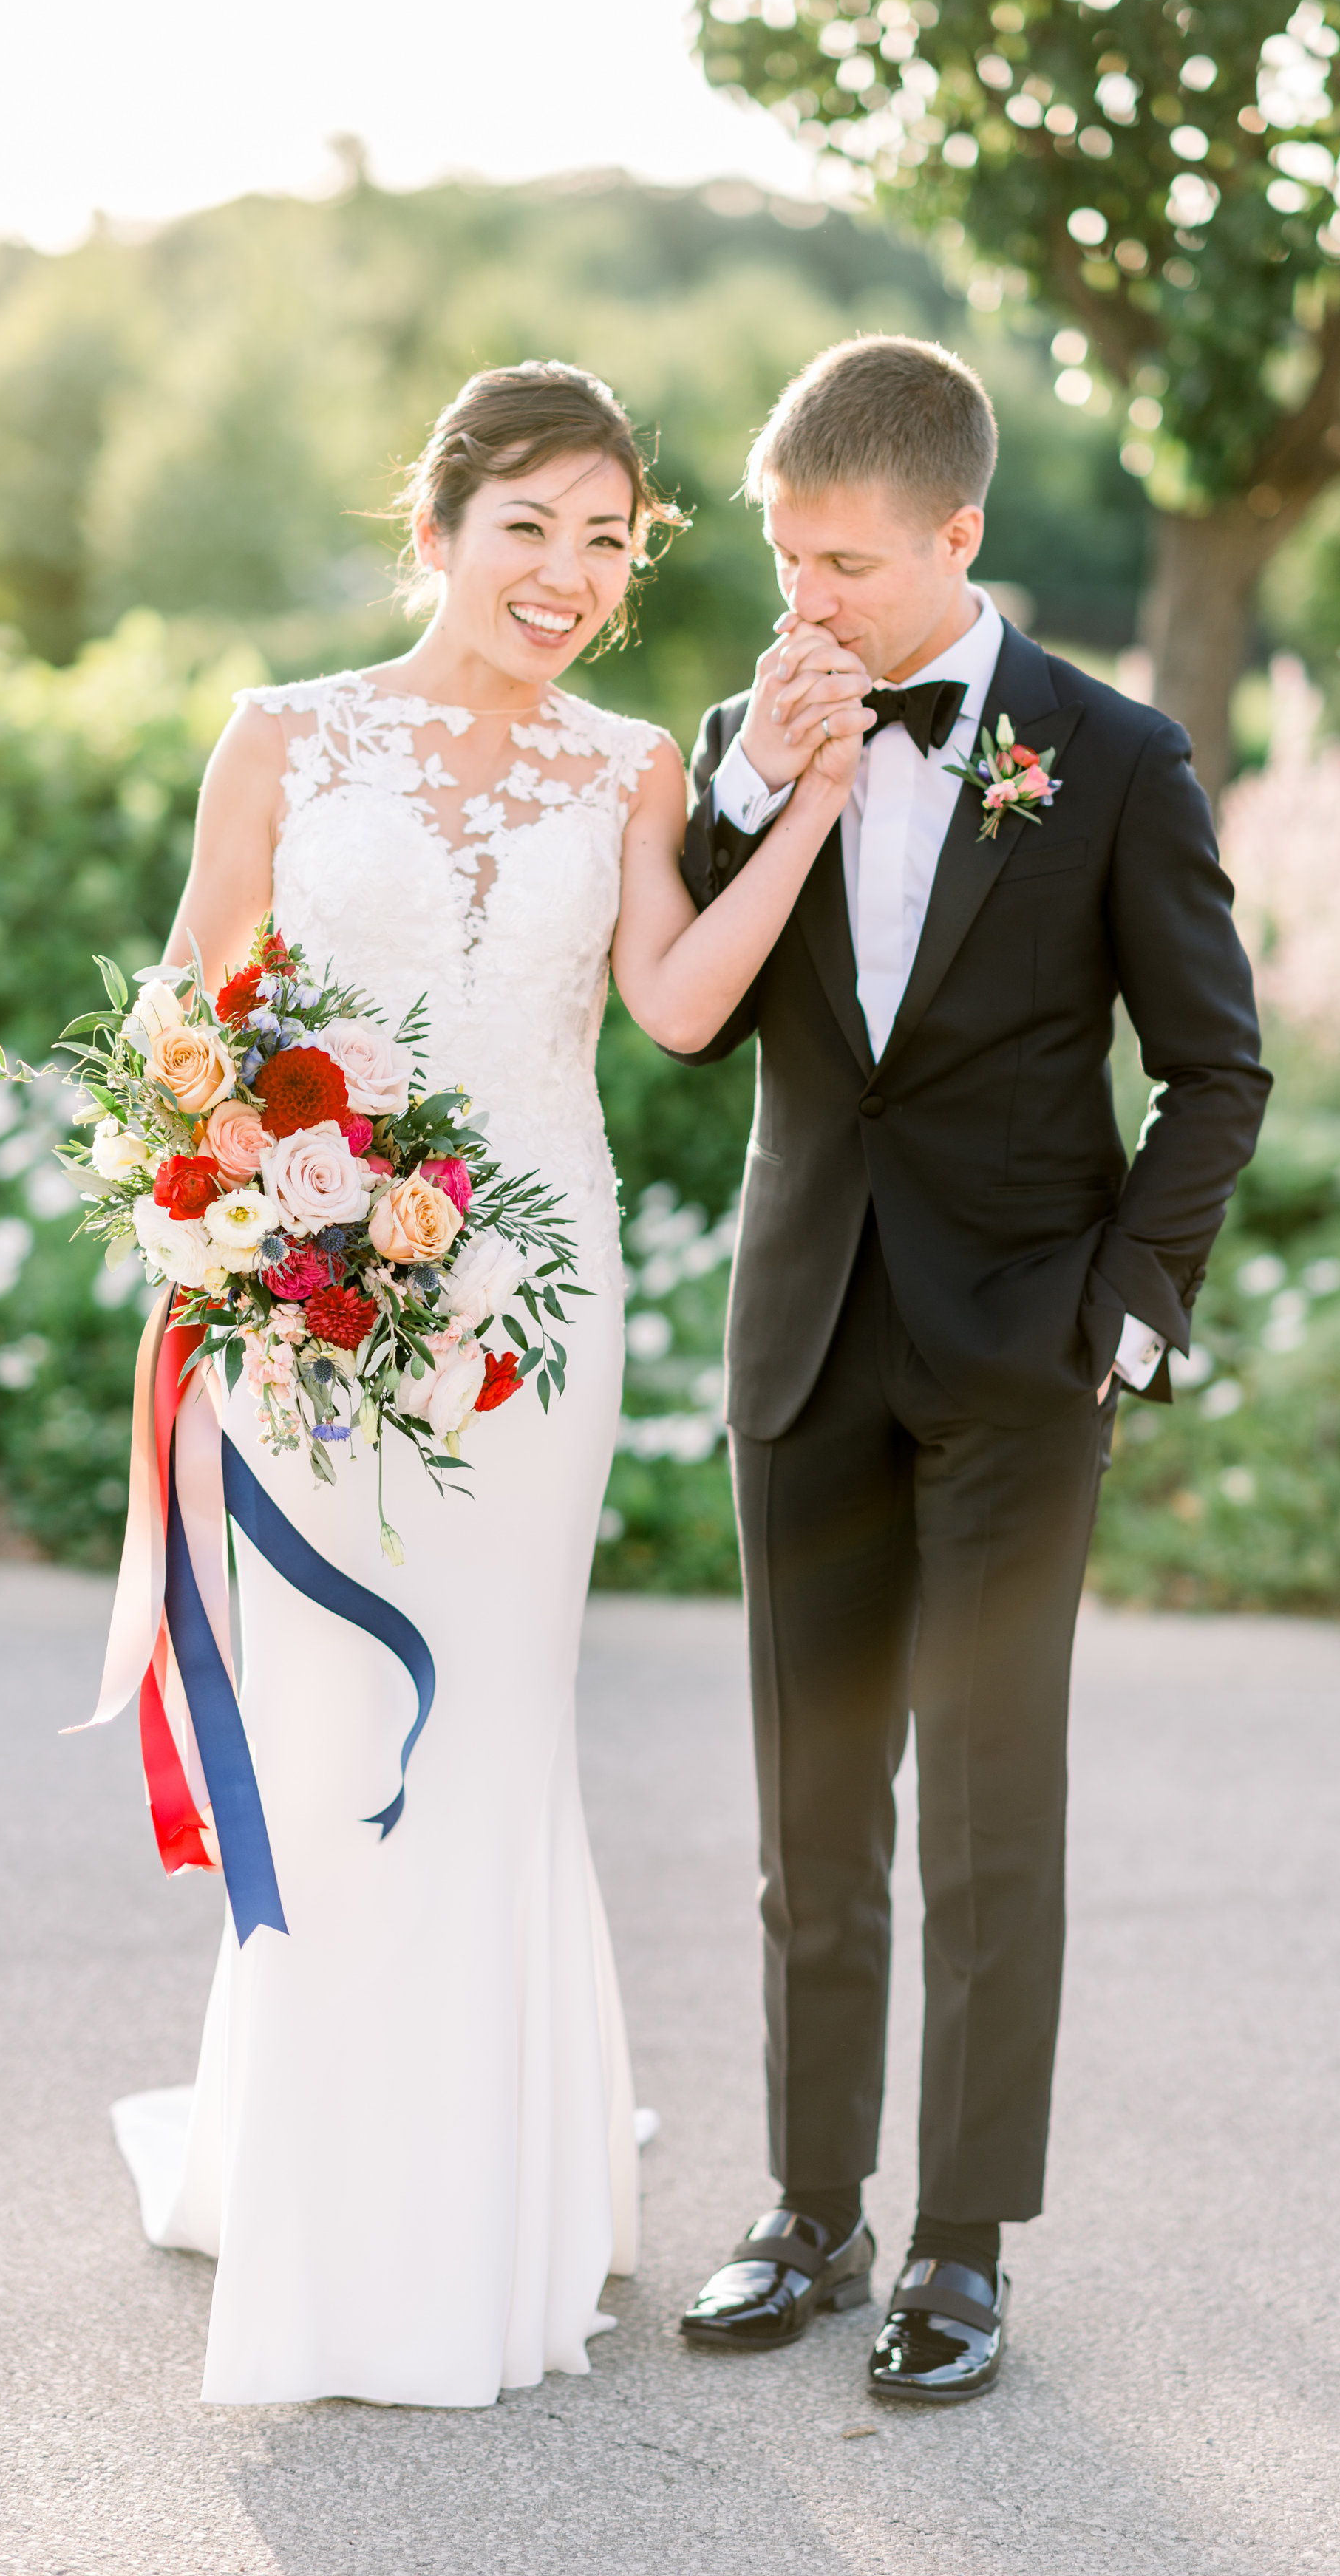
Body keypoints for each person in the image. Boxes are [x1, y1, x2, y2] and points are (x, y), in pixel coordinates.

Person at [108, 359, 876, 2408]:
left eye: (608, 540)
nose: (565, 572)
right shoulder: (281, 737)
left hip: (531, 1306)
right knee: (334, 1711)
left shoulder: (624, 772)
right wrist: (245, 1209)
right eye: (529, 523)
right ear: (436, 521)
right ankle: (329, 2193)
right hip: (311, 1306)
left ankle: (484, 2205)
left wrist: (799, 814)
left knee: (495, 1733)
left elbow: (676, 1010)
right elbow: (192, 1017)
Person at [672, 335, 1271, 2404]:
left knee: (992, 1820)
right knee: (807, 1814)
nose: (799, 604)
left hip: (1022, 1361)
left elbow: (1214, 1066)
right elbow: (676, 971)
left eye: (840, 563)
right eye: (779, 555)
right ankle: (808, 2209)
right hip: (804, 1337)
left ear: (957, 534)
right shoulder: (739, 729)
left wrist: (1130, 1305)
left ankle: (959, 2250)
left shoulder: (1111, 758)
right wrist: (752, 777)